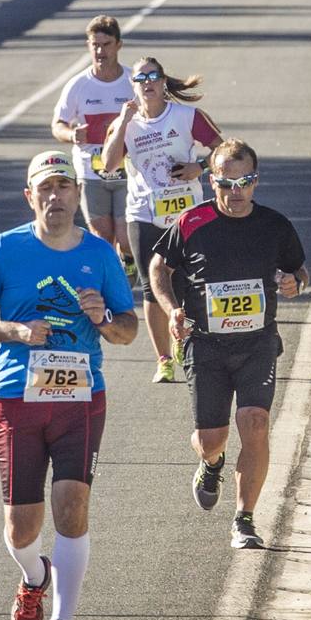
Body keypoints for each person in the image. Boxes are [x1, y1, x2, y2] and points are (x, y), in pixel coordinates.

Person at [0, 150, 140, 620]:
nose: (55, 196)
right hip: (17, 396)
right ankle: (34, 576)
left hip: (81, 398)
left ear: (78, 195)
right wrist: (13, 331)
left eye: (64, 186)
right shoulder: (6, 248)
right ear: (30, 196)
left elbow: (128, 331)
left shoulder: (102, 254)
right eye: (45, 187)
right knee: (21, 527)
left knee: (71, 509)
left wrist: (103, 318)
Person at [149, 139, 308, 549]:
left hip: (257, 343)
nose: (236, 192)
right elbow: (158, 267)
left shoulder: (274, 225)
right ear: (211, 179)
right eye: (226, 183)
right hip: (206, 346)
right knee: (210, 439)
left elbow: (299, 271)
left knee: (255, 422)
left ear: (256, 181)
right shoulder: (191, 223)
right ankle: (212, 462)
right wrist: (170, 309)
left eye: (245, 182)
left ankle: (245, 519)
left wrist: (296, 283)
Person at [100, 57, 224, 383]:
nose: (147, 83)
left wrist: (201, 167)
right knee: (152, 289)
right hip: (144, 214)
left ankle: (190, 343)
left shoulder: (186, 116)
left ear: (163, 81)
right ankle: (164, 359)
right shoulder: (126, 123)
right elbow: (110, 164)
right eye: (140, 78)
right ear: (133, 85)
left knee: (188, 282)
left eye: (153, 76)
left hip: (187, 213)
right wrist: (124, 120)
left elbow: (223, 150)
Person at [51, 15, 137, 276]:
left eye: (106, 44)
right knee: (102, 237)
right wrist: (72, 135)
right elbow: (58, 125)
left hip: (128, 172)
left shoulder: (133, 81)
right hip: (91, 173)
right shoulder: (79, 85)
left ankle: (129, 266)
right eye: (94, 45)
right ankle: (111, 282)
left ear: (118, 45)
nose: (100, 52)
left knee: (125, 237)